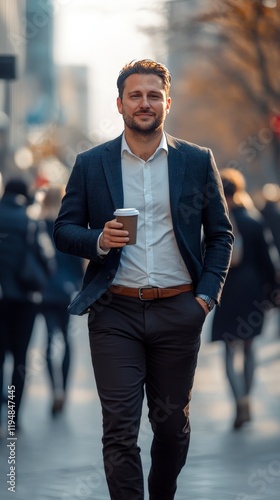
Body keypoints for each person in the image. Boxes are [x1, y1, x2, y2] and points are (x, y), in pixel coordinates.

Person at [54, 59, 233, 500]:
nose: (144, 103)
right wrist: (99, 239)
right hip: (115, 312)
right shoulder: (92, 164)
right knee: (119, 428)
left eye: (154, 95)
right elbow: (63, 230)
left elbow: (221, 235)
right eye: (135, 95)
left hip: (179, 310)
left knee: (171, 429)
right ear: (119, 104)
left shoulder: (196, 161)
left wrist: (205, 298)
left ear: (167, 103)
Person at [210, 168, 277, 430]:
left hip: (226, 290)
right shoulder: (252, 219)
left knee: (228, 348)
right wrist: (272, 289)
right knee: (249, 347)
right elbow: (268, 261)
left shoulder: (217, 222)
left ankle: (237, 400)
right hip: (252, 291)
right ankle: (247, 397)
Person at [0, 178, 55, 433]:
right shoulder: (30, 221)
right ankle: (13, 418)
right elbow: (47, 260)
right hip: (24, 301)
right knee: (20, 360)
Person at [38, 185, 84, 416]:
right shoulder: (67, 226)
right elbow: (78, 259)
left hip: (44, 291)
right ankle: (63, 390)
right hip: (65, 291)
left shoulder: (39, 225)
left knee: (48, 340)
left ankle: (53, 389)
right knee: (66, 339)